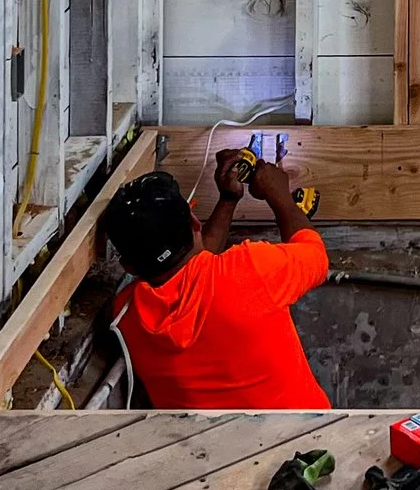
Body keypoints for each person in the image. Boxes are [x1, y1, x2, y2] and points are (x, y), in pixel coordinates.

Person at [101, 150, 332, 409]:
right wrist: (279, 194)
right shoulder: (252, 270)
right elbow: (316, 257)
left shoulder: (127, 314)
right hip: (308, 441)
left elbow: (191, 268)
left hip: (211, 447)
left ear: (128, 266)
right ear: (195, 223)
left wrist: (229, 199)